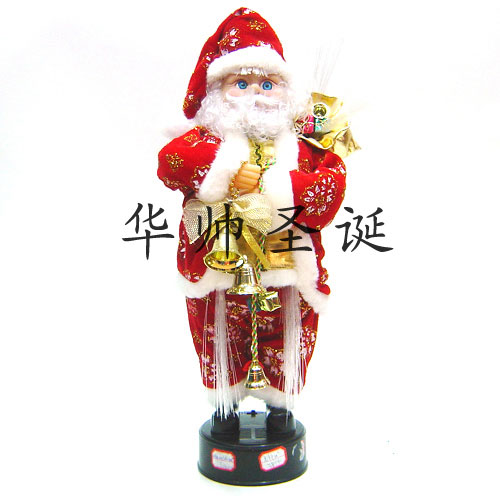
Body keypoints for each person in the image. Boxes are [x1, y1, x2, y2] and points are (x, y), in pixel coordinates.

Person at [158, 7, 347, 436]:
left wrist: (276, 187)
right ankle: (224, 409)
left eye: (267, 84)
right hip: (221, 261)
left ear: (286, 91)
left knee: (288, 331)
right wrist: (226, 174)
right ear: (218, 92)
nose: (255, 94)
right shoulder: (207, 140)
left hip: (285, 259)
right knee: (220, 333)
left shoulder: (302, 145)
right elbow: (171, 162)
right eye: (240, 84)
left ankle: (281, 409)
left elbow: (332, 184)